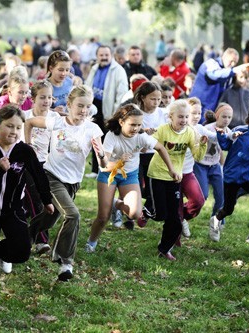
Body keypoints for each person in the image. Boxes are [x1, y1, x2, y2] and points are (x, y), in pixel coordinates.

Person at [0, 105, 54, 308]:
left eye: (18, 128)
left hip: (13, 210)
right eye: (9, 126)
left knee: (22, 250)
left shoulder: (24, 151)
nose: (14, 132)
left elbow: (39, 176)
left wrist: (47, 200)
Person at [25, 85, 103, 281]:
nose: (83, 111)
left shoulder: (92, 129)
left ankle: (24, 238)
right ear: (69, 105)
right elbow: (29, 122)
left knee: (50, 218)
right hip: (51, 176)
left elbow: (103, 162)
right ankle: (65, 262)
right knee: (73, 214)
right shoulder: (56, 122)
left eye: (87, 107)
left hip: (73, 182)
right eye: (79, 106)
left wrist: (101, 156)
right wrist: (28, 146)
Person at [85, 103, 178, 252]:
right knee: (103, 217)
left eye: (139, 125)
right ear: (121, 122)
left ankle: (115, 205)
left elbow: (160, 148)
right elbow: (104, 165)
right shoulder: (112, 136)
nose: (136, 128)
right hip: (109, 174)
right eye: (132, 124)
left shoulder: (140, 136)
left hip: (129, 175)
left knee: (134, 213)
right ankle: (91, 242)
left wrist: (171, 170)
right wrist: (120, 161)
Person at [147, 99, 207, 260]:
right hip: (157, 174)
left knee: (175, 219)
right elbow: (147, 144)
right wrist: (147, 133)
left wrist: (201, 145)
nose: (184, 120)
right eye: (180, 117)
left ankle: (164, 248)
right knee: (160, 214)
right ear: (171, 117)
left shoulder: (189, 132)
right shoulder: (163, 130)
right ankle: (144, 210)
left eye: (186, 117)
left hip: (175, 178)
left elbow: (197, 156)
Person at [210, 103, 249, 249]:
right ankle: (216, 219)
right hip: (232, 176)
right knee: (229, 209)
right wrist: (221, 134)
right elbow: (225, 145)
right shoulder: (240, 131)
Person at [24, 80, 59, 254]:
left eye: (50, 97)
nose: (47, 101)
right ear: (33, 99)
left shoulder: (55, 118)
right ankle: (41, 240)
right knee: (37, 199)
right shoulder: (24, 115)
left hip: (48, 163)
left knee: (48, 200)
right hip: (27, 163)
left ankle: (29, 228)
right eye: (42, 97)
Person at [85, 45, 128, 178]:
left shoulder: (118, 70)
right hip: (94, 107)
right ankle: (95, 169)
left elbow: (121, 93)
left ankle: (106, 168)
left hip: (109, 109)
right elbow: (87, 86)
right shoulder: (94, 68)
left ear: (111, 56)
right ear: (97, 56)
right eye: (101, 55)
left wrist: (115, 113)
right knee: (94, 137)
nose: (103, 57)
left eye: (106, 55)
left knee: (106, 140)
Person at [132, 82, 167, 228]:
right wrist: (142, 132)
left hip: (156, 154)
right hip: (138, 155)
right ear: (142, 97)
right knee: (137, 187)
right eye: (153, 99)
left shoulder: (163, 114)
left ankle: (145, 212)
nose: (156, 102)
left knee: (155, 188)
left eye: (159, 99)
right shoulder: (136, 112)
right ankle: (127, 210)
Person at [178, 98, 212, 239]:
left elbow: (198, 156)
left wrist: (226, 134)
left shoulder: (198, 129)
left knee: (198, 201)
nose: (197, 116)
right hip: (171, 174)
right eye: (193, 113)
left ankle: (181, 218)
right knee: (176, 206)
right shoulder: (176, 128)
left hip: (187, 172)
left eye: (199, 113)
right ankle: (172, 242)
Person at [190, 48, 249, 123]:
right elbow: (214, 75)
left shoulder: (229, 72)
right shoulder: (211, 63)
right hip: (199, 104)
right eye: (231, 61)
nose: (233, 64)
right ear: (224, 57)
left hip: (212, 109)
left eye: (235, 62)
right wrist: (233, 71)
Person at [46, 50, 73, 115]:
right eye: (60, 70)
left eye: (67, 70)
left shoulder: (69, 81)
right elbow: (37, 108)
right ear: (51, 68)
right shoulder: (44, 86)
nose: (64, 73)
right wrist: (53, 111)